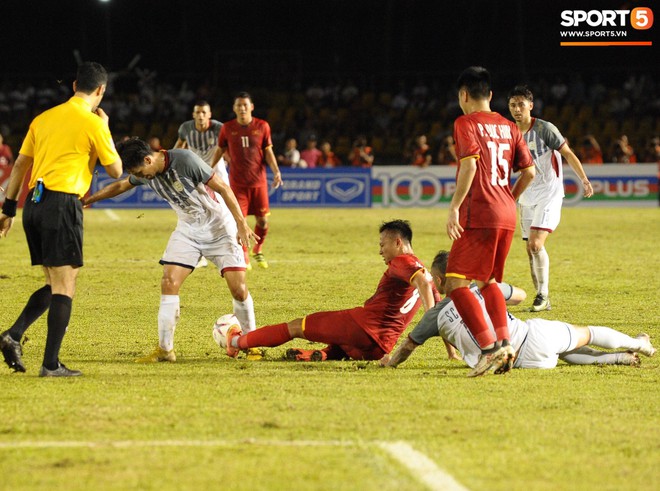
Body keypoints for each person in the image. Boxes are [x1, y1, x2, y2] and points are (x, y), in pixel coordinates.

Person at [81, 137, 261, 362]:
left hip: (220, 229)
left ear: (148, 159)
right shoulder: (145, 172)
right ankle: (165, 350)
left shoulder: (184, 160)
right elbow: (120, 185)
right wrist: (86, 201)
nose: (140, 176)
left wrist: (241, 224)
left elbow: (223, 188)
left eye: (140, 171)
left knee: (239, 289)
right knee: (169, 282)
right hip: (188, 231)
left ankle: (252, 344)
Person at [0, 62, 122, 377]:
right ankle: (51, 365)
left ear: (73, 86)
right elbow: (116, 171)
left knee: (53, 282)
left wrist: (9, 209)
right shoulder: (93, 123)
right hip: (62, 203)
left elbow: (19, 167)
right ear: (100, 90)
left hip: (34, 205)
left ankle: (13, 335)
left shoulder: (43, 119)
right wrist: (105, 129)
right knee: (66, 284)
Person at [218, 220, 457, 362]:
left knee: (294, 327)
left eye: (382, 245)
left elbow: (427, 297)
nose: (380, 251)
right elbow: (438, 315)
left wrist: (426, 316)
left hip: (361, 328)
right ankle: (324, 355)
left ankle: (236, 342)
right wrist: (451, 352)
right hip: (379, 348)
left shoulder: (402, 262)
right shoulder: (424, 272)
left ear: (397, 242)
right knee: (339, 343)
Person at [381, 251, 656, 371]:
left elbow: (407, 347)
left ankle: (619, 358)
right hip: (531, 337)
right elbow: (522, 294)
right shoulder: (482, 288)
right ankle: (639, 344)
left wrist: (390, 363)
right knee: (587, 334)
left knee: (565, 354)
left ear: (439, 282)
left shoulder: (435, 316)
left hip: (524, 363)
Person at [445, 66, 536, 377]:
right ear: (492, 95)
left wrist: (454, 207)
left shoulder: (465, 123)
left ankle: (488, 349)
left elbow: (469, 167)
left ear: (464, 95)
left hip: (480, 213)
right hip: (506, 213)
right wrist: (508, 197)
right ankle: (505, 343)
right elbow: (530, 172)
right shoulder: (509, 127)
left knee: (455, 282)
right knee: (488, 282)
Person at [508, 85, 594, 312]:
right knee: (530, 250)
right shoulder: (509, 133)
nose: (517, 109)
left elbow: (568, 153)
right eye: (512, 105)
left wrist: (584, 179)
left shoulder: (545, 128)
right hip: (527, 196)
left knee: (536, 245)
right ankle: (541, 297)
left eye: (521, 104)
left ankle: (543, 295)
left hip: (549, 192)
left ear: (530, 106)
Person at [218, 92, 283, 269]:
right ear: (234, 108)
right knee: (241, 221)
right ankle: (244, 255)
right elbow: (220, 149)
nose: (242, 108)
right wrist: (208, 169)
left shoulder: (262, 126)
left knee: (262, 221)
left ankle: (257, 249)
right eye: (238, 105)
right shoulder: (227, 128)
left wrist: (276, 171)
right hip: (238, 184)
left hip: (258, 182)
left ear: (251, 107)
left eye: (245, 105)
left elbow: (268, 152)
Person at [174, 101, 227, 269]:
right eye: (198, 112)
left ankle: (226, 247)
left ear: (209, 114)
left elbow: (227, 147)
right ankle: (200, 254)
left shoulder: (219, 128)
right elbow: (179, 146)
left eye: (204, 112)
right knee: (198, 212)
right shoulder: (186, 128)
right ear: (193, 114)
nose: (201, 115)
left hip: (216, 173)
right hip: (195, 174)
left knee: (223, 212)